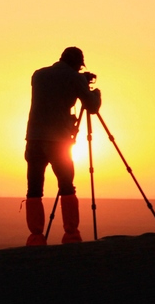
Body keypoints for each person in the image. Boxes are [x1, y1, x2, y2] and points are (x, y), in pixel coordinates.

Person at [24, 46, 101, 246]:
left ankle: (36, 237)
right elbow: (91, 106)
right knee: (66, 186)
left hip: (33, 139)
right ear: (77, 64)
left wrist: (78, 80)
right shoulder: (74, 77)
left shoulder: (38, 75)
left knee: (34, 189)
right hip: (58, 141)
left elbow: (54, 88)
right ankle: (71, 235)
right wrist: (95, 92)